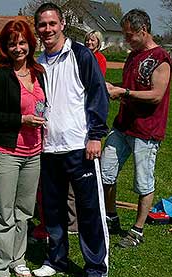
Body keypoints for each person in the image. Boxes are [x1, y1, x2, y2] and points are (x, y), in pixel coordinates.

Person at [32, 3, 109, 277]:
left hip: (80, 146)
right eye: (42, 25)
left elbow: (98, 95)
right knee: (52, 210)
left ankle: (95, 270)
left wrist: (96, 135)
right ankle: (56, 259)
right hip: (48, 148)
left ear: (62, 24)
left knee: (89, 211)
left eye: (52, 23)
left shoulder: (81, 55)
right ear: (37, 28)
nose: (47, 29)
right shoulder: (38, 62)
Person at [0, 19, 46, 277]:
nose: (18, 48)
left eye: (22, 43)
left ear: (31, 43)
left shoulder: (39, 72)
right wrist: (21, 120)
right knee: (3, 214)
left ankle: (18, 259)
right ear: (5, 47)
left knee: (24, 212)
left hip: (34, 153)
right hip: (6, 153)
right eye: (12, 44)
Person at [101, 9, 172, 248]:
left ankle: (137, 231)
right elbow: (131, 87)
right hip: (123, 125)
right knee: (105, 172)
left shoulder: (161, 57)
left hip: (146, 130)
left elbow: (156, 95)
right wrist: (116, 87)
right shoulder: (132, 56)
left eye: (130, 35)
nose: (126, 40)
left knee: (143, 182)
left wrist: (124, 92)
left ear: (143, 31)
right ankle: (111, 217)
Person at [67, 30, 109, 235]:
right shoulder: (77, 56)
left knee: (84, 182)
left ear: (99, 43)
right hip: (71, 130)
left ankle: (86, 222)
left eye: (93, 39)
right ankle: (72, 221)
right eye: (87, 39)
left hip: (85, 126)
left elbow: (94, 90)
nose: (89, 42)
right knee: (69, 185)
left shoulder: (94, 59)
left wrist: (95, 134)